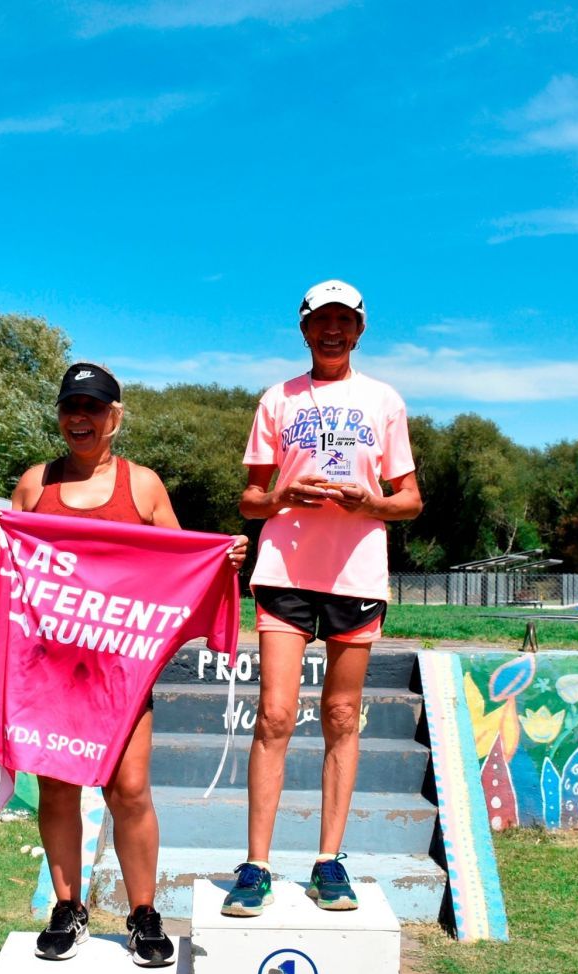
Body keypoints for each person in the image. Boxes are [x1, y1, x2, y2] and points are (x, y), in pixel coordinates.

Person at [0, 362, 247, 964]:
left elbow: (183, 566)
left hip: (121, 675)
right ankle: (68, 910)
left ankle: (144, 915)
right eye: (71, 406)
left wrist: (221, 560)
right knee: (57, 788)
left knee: (130, 789)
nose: (80, 418)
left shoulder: (142, 486)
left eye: (93, 408)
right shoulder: (34, 485)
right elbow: (6, 578)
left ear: (114, 418)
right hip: (47, 672)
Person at [222, 281, 422, 916]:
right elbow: (250, 500)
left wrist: (372, 503)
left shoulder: (384, 400)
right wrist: (283, 496)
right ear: (304, 328)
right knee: (274, 716)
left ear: (360, 330)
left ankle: (328, 862)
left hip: (356, 575)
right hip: (284, 569)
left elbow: (410, 500)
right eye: (321, 320)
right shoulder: (277, 399)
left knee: (340, 715)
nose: (332, 330)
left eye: (344, 321)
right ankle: (256, 866)